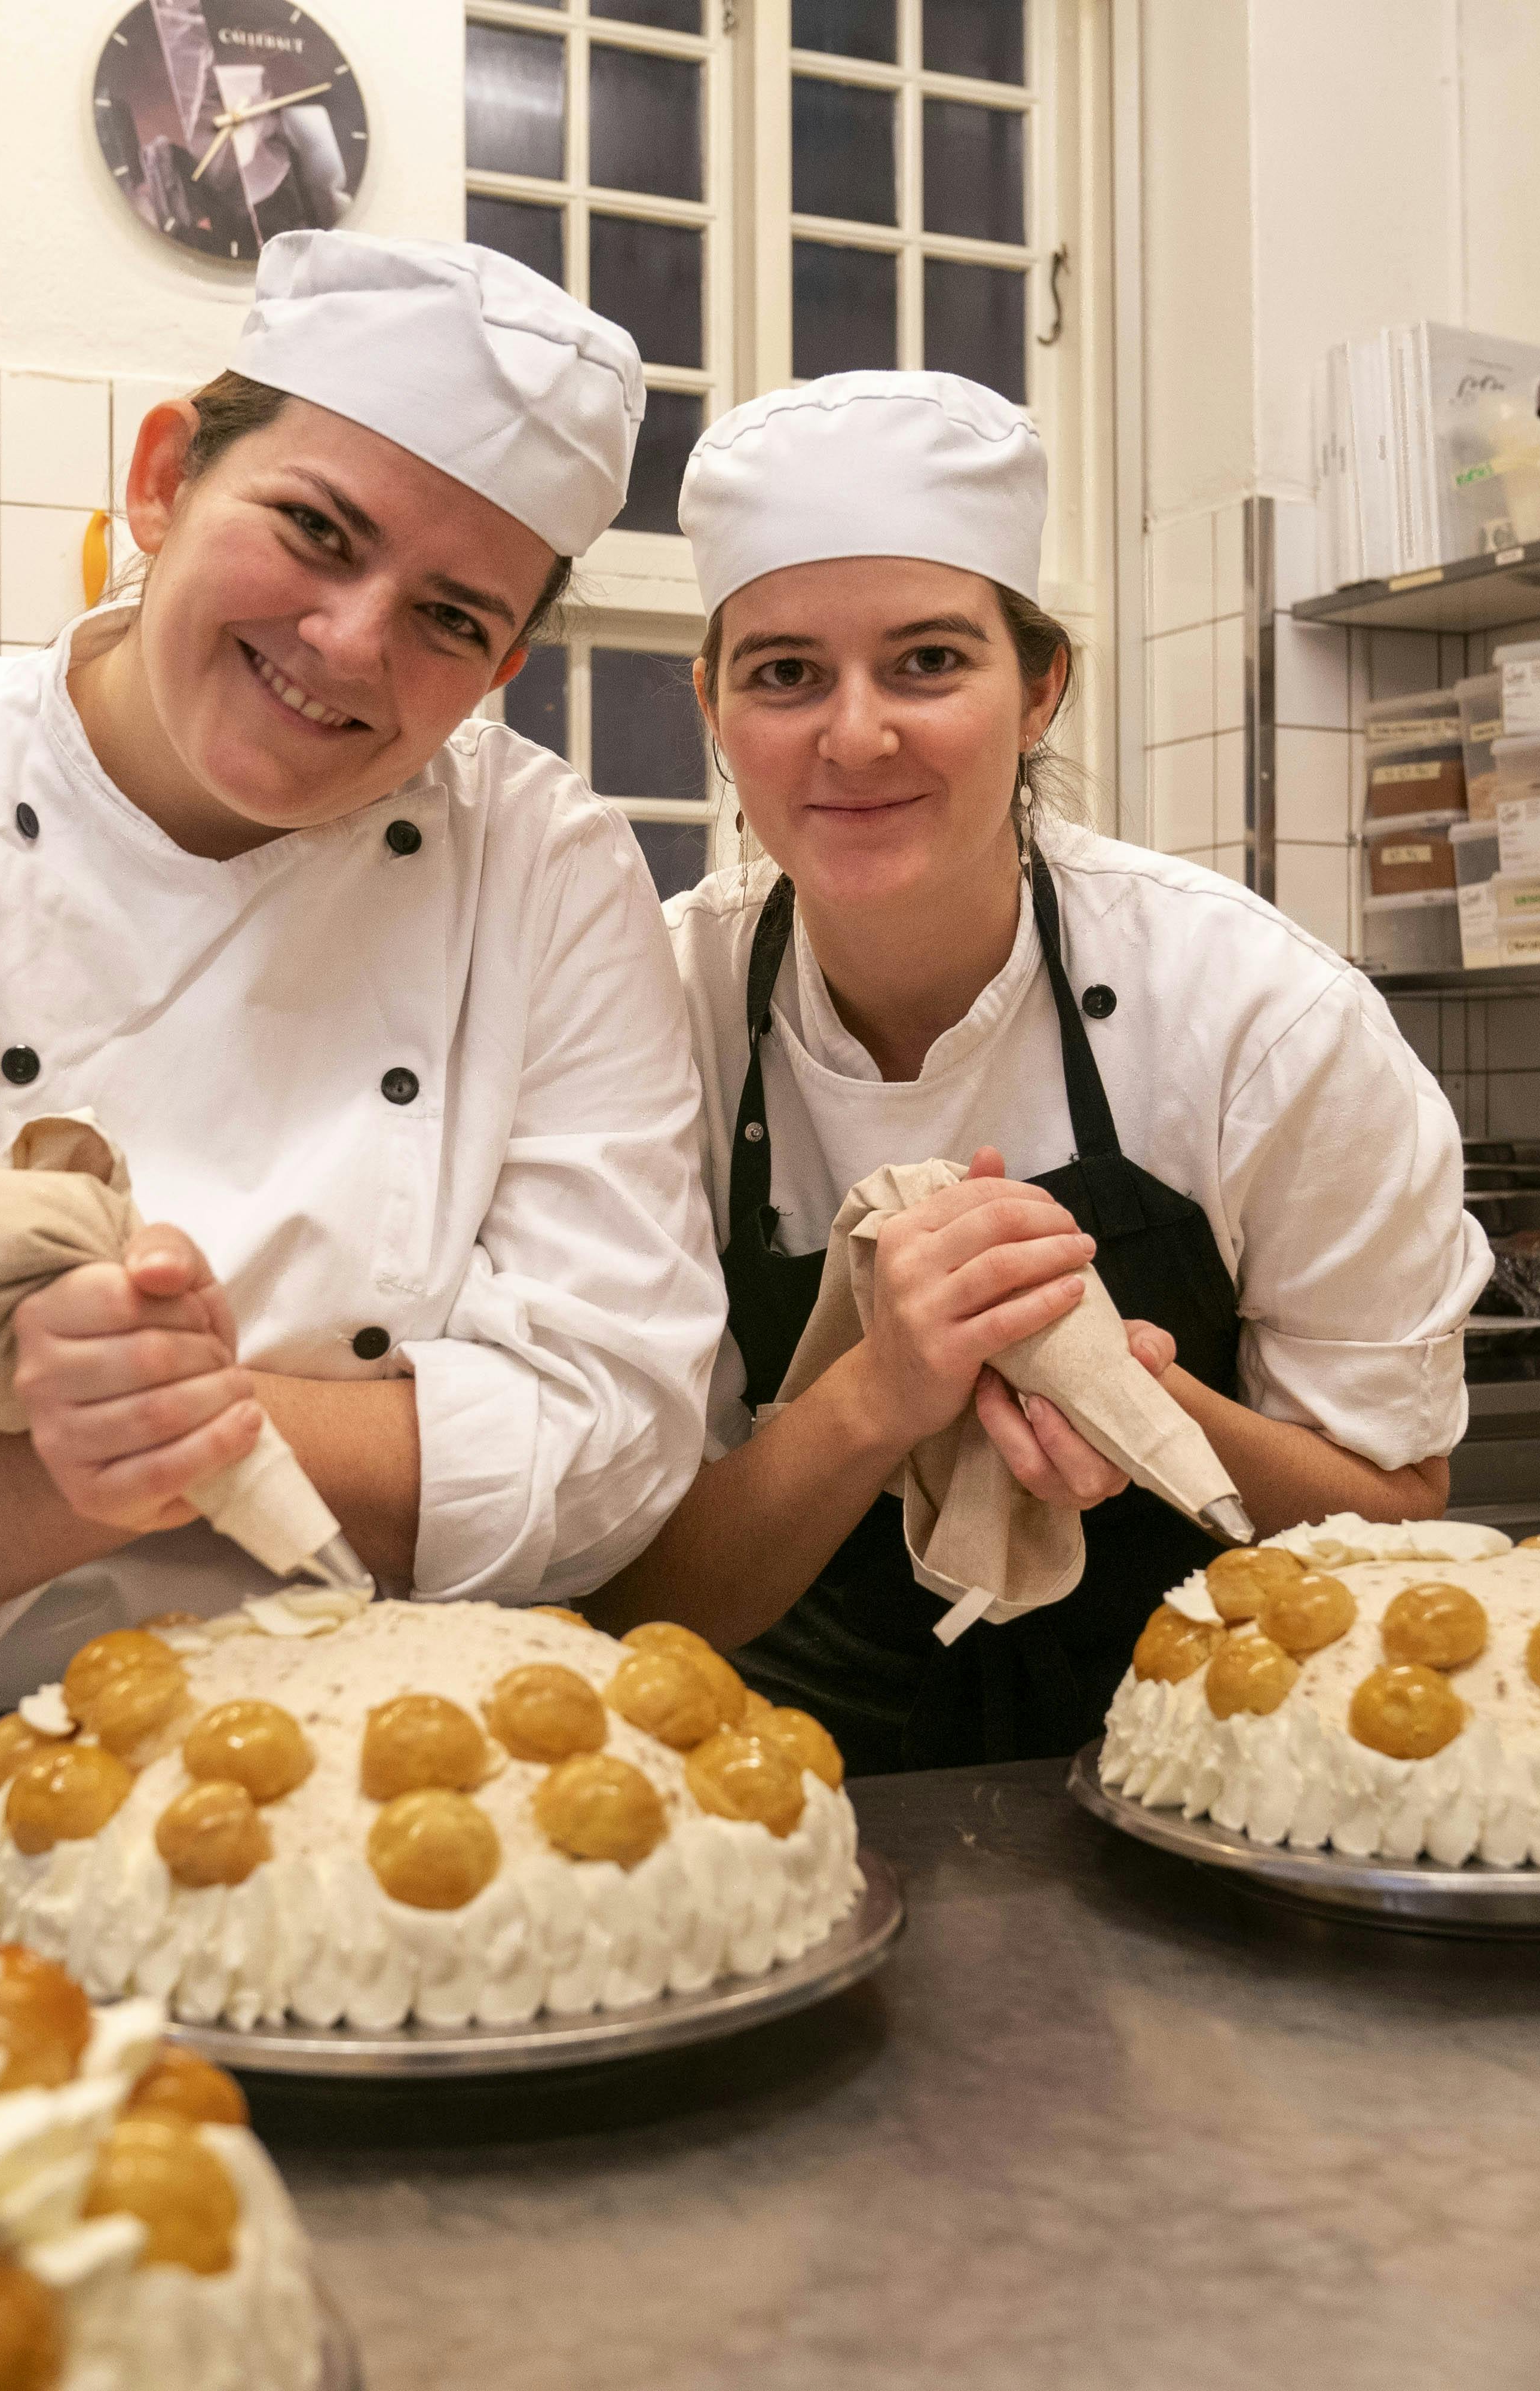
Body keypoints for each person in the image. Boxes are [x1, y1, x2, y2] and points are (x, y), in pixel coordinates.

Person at [0, 234, 724, 1866]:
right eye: (316, 531)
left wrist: (99, 1433)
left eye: (448, 616)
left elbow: (618, 1437)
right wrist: (165, 1449)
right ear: (162, 479)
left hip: (386, 1788)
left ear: (503, 668)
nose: (348, 642)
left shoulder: (548, 870)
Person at [595, 372, 1488, 1775]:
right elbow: (634, 1596)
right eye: (783, 673)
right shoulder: (649, 1015)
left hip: (1221, 1758)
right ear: (713, 707)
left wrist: (1132, 1401)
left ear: (1041, 686)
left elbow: (1397, 1523)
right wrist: (880, 1392)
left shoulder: (1262, 1018)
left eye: (928, 662)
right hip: (764, 1788)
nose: (855, 734)